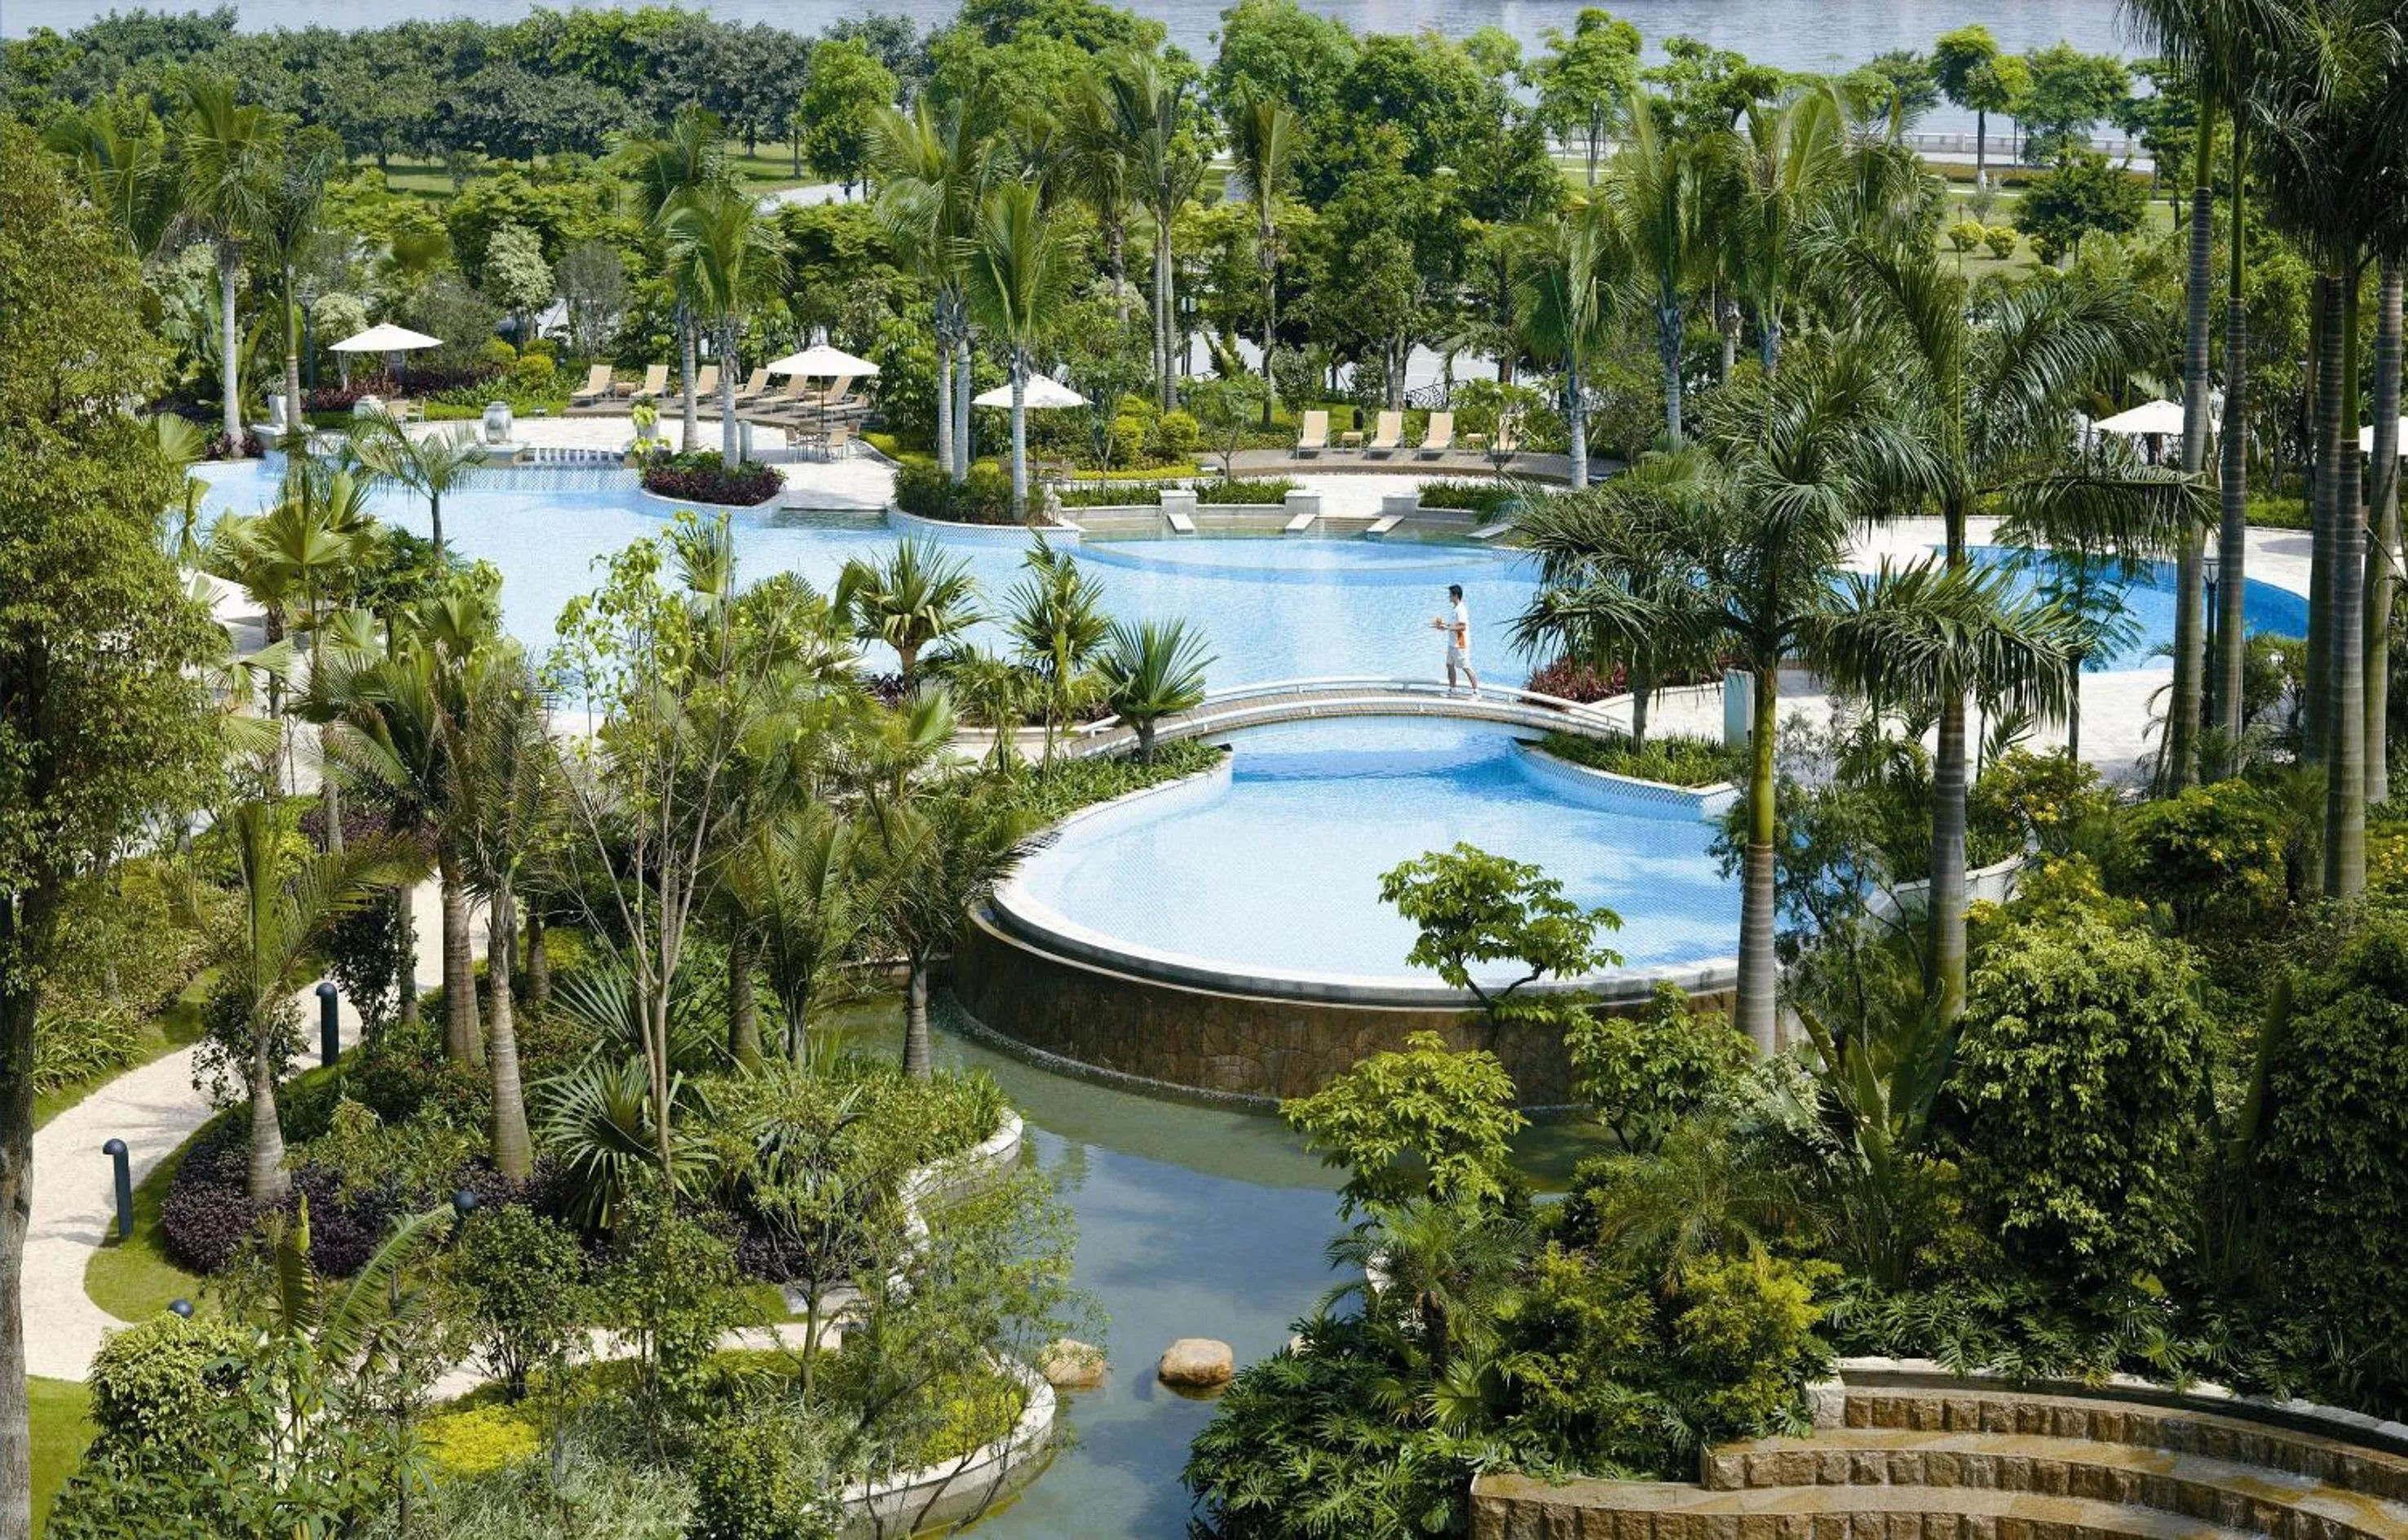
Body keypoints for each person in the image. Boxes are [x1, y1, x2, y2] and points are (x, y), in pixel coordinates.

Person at [1432, 583, 1479, 695]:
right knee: (1449, 665)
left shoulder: (1461, 609)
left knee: (1466, 667)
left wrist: (1448, 627)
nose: (1449, 597)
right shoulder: (1455, 609)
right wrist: (1444, 626)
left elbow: (1463, 627)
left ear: (1456, 596)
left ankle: (1476, 691)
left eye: (1450, 595)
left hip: (1460, 644)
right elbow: (1454, 625)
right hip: (1452, 644)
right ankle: (1453, 689)